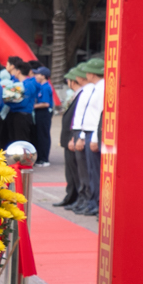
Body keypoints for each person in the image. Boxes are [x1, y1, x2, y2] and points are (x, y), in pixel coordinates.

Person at [70, 60, 105, 215]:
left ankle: (97, 203)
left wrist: (95, 138)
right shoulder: (95, 88)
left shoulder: (102, 87)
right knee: (91, 171)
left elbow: (99, 114)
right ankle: (92, 202)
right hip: (89, 131)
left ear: (91, 74)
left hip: (95, 132)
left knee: (95, 171)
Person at [55, 65, 93, 208]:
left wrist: (74, 137)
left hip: (75, 135)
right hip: (70, 136)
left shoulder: (85, 92)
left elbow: (79, 118)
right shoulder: (78, 93)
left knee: (78, 171)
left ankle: (79, 198)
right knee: (71, 170)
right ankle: (71, 196)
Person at [24, 64, 53, 165]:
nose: (35, 76)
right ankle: (41, 157)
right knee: (39, 134)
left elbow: (46, 103)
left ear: (43, 76)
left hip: (44, 113)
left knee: (43, 135)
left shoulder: (45, 87)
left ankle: (44, 159)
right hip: (39, 113)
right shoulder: (41, 86)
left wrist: (33, 106)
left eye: (38, 74)